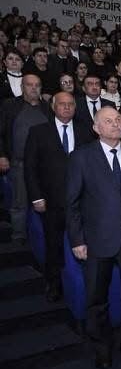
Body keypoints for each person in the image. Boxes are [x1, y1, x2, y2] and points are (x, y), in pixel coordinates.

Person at [66, 107, 121, 369]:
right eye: (109, 121)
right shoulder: (81, 157)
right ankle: (102, 347)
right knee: (97, 298)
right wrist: (77, 240)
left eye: (118, 119)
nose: (116, 124)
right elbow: (71, 203)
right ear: (96, 128)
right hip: (96, 239)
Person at [24, 91, 93, 302]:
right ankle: (54, 284)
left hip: (82, 201)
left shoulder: (85, 130)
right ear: (53, 107)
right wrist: (36, 197)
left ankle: (86, 285)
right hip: (51, 201)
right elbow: (30, 167)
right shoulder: (38, 132)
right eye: (62, 104)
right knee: (53, 244)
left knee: (85, 244)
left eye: (70, 104)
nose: (66, 107)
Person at [0, 74, 50, 245]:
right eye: (29, 85)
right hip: (19, 163)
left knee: (45, 202)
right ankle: (18, 236)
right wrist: (2, 155)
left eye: (37, 85)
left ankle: (43, 237)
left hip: (44, 166)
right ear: (22, 87)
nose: (34, 88)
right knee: (19, 203)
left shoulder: (47, 108)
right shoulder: (10, 106)